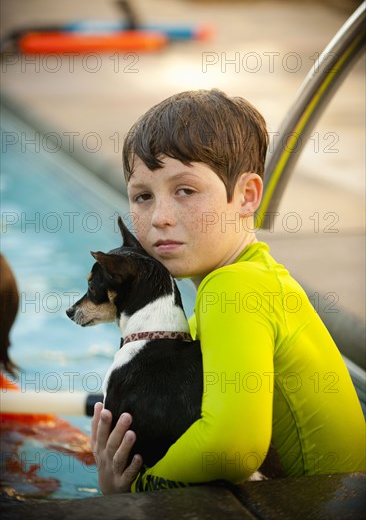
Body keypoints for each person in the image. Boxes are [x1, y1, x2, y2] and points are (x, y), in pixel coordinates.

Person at [91, 89, 365, 494]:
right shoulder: (237, 287)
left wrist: (132, 493)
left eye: (185, 190)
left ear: (248, 196)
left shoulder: (233, 288)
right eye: (143, 196)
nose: (160, 218)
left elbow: (233, 448)